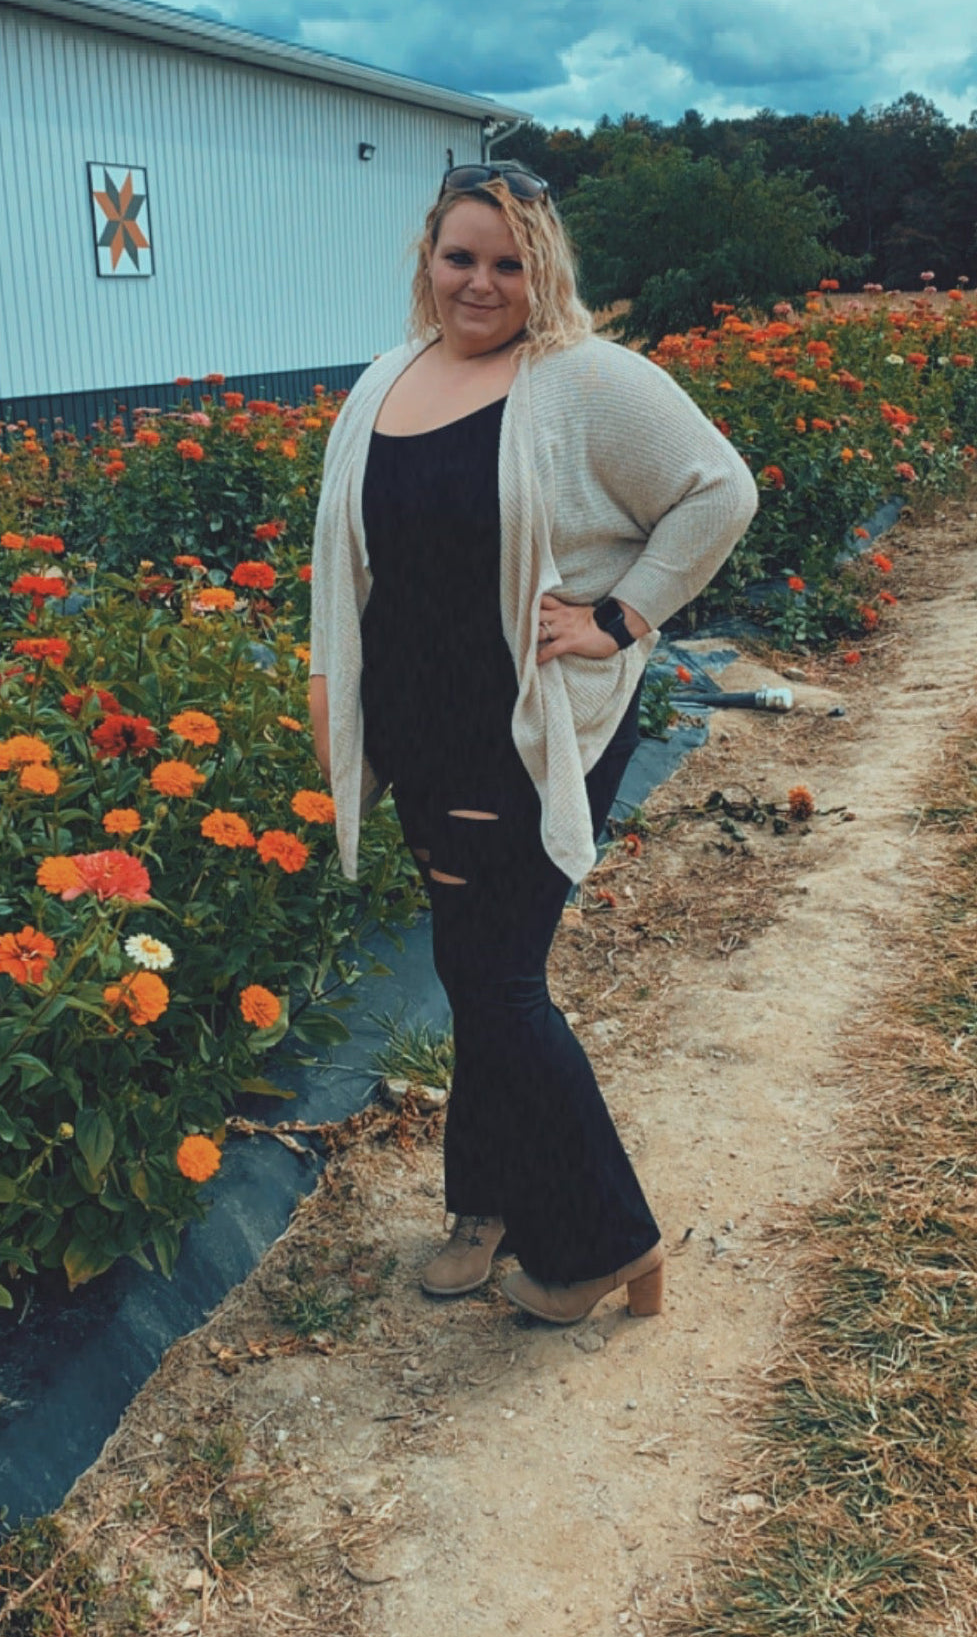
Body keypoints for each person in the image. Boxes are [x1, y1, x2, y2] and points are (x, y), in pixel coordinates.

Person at [309, 161, 756, 1326]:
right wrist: (330, 693)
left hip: (525, 725)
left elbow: (719, 491)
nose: (480, 282)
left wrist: (619, 616)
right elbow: (345, 558)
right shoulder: (385, 379)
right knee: (474, 972)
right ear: (426, 257)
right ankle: (487, 1202)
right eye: (460, 256)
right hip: (422, 728)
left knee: (496, 983)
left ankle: (607, 1241)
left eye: (507, 263)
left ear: (541, 268)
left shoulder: (583, 379)